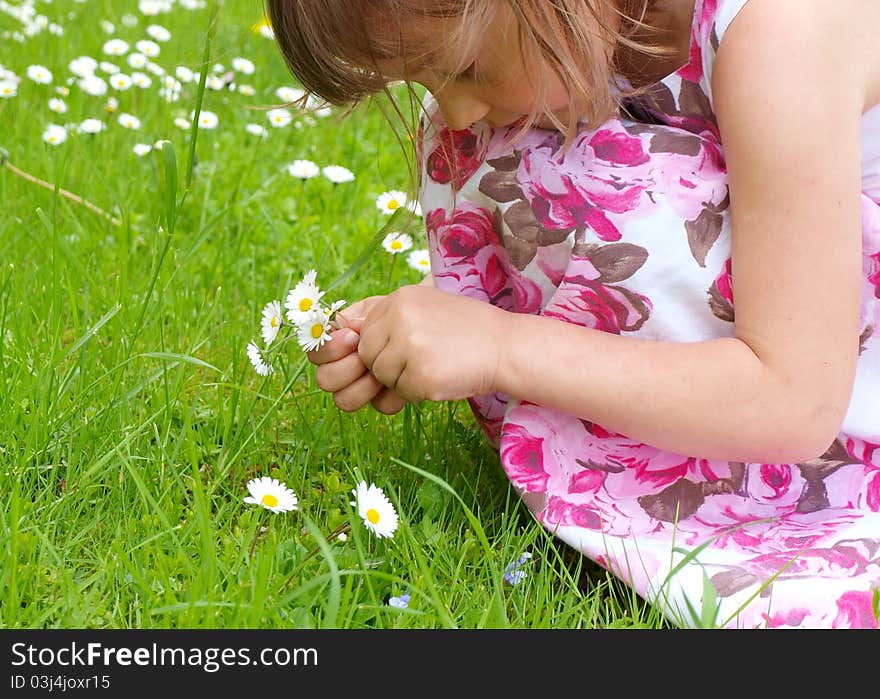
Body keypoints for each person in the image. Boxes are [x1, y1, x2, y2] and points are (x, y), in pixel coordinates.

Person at [265, 0, 880, 628]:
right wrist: (444, 316)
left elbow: (794, 400)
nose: (454, 110)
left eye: (467, 68)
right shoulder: (583, 32)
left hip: (822, 406)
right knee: (523, 143)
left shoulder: (781, 36)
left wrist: (502, 348)